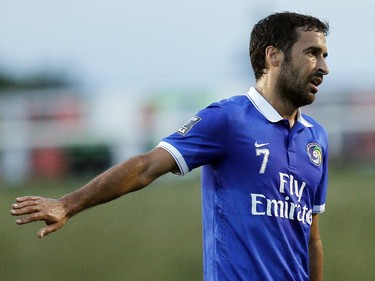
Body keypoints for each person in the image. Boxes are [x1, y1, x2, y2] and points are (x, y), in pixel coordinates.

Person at [11, 11, 330, 281]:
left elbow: (311, 238)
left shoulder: (316, 138)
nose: (323, 67)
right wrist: (69, 203)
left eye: (325, 56)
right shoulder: (228, 119)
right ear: (273, 56)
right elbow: (146, 168)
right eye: (312, 53)